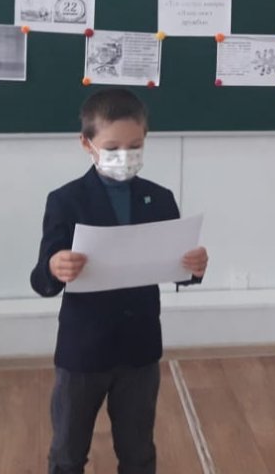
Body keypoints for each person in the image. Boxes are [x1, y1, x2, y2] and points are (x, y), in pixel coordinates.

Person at [31, 88, 209, 474]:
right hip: (84, 350)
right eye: (112, 147)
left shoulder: (159, 198)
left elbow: (177, 267)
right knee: (67, 452)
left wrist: (195, 267)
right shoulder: (65, 200)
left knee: (138, 451)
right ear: (87, 143)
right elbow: (42, 276)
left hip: (139, 348)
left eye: (135, 146)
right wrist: (55, 266)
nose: (125, 156)